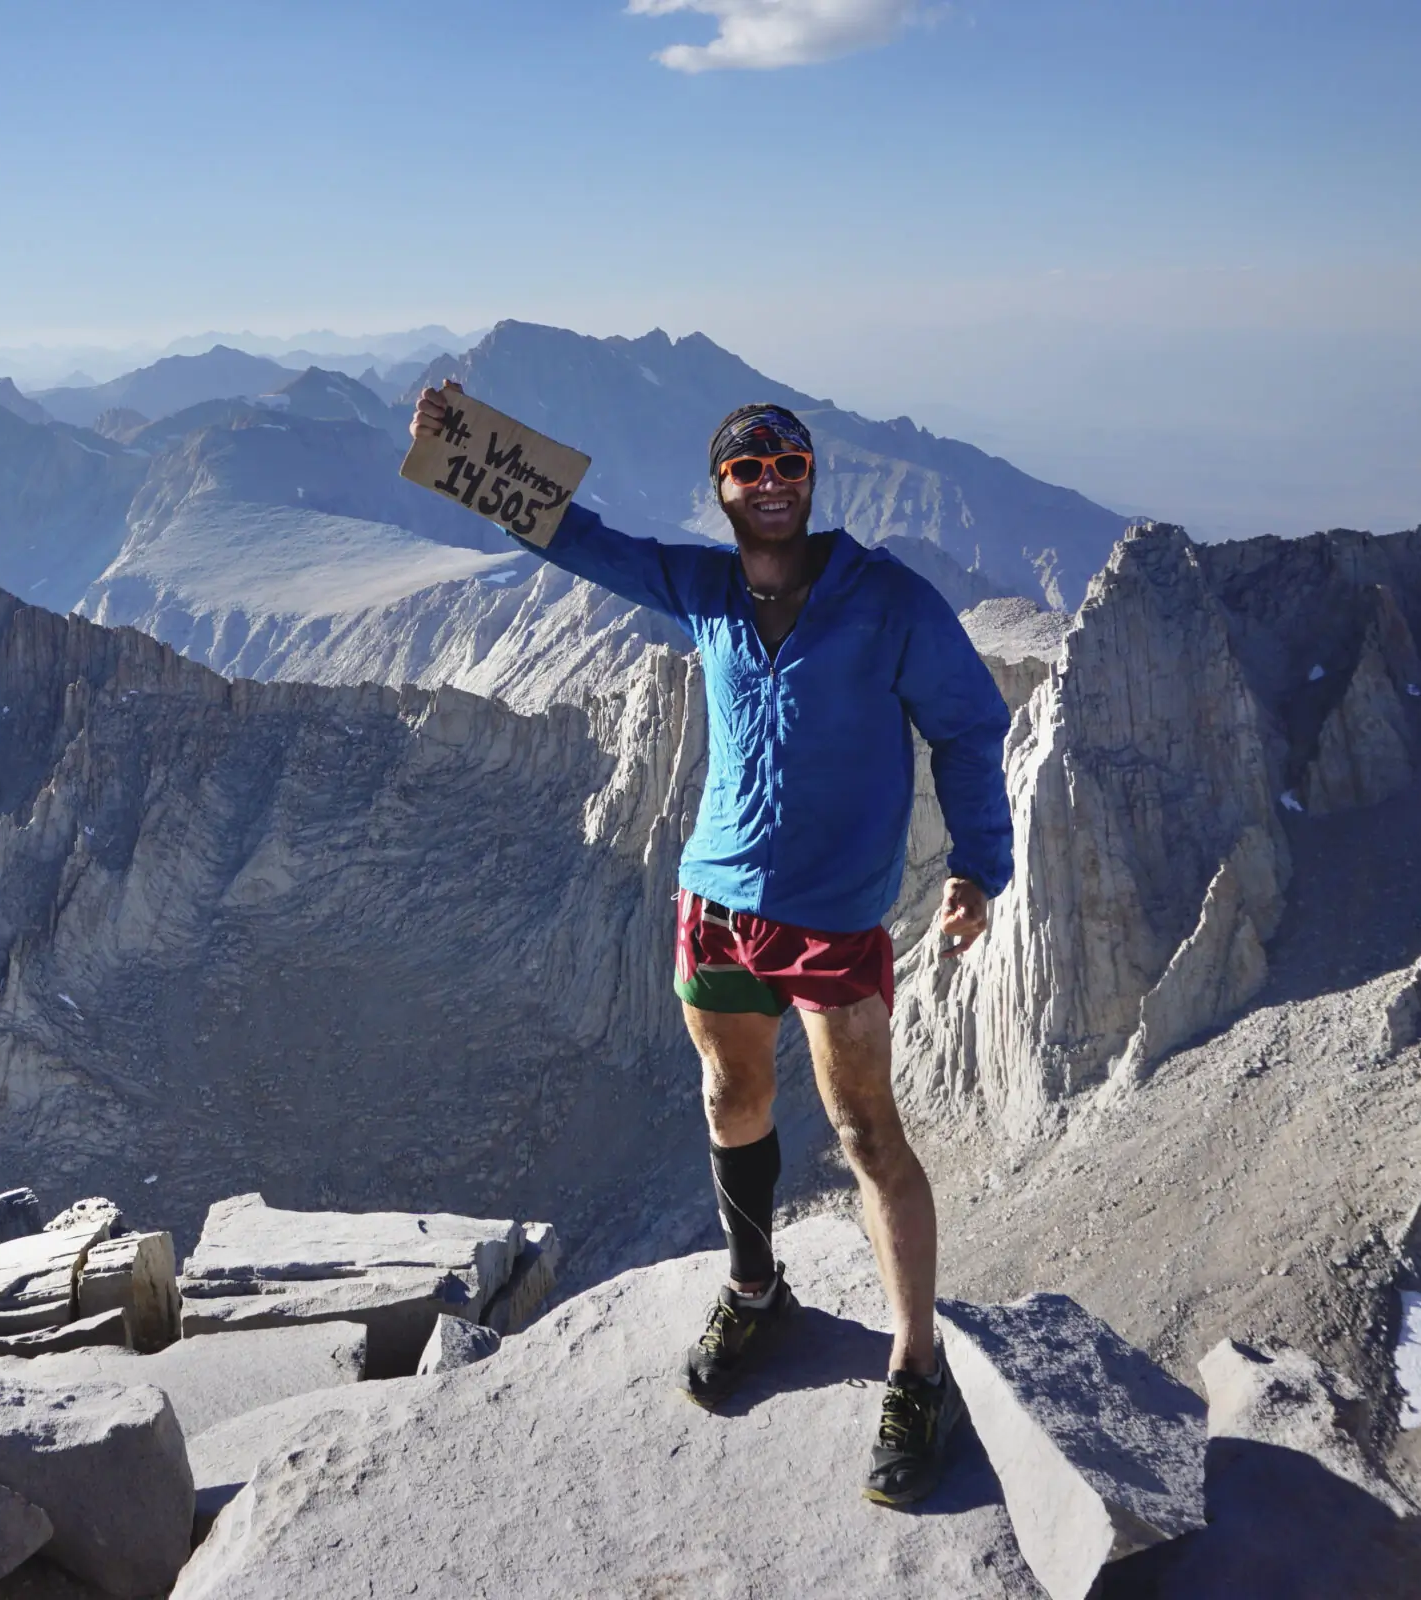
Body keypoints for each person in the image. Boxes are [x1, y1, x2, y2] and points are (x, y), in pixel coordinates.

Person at [410, 385, 1013, 1506]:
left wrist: (978, 866)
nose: (773, 480)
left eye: (790, 462)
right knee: (732, 1098)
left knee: (865, 1129)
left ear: (812, 477)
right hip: (719, 904)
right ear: (722, 489)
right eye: (749, 468)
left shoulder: (888, 600)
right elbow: (583, 542)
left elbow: (970, 727)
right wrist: (464, 451)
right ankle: (754, 1288)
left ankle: (917, 1369)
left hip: (834, 917)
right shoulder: (702, 587)